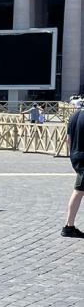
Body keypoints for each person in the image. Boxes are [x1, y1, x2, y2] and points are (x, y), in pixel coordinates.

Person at [62, 98, 84, 237]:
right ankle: (68, 227)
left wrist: (72, 154)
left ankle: (69, 226)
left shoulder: (74, 115)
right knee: (78, 191)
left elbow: (68, 139)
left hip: (75, 156)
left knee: (80, 190)